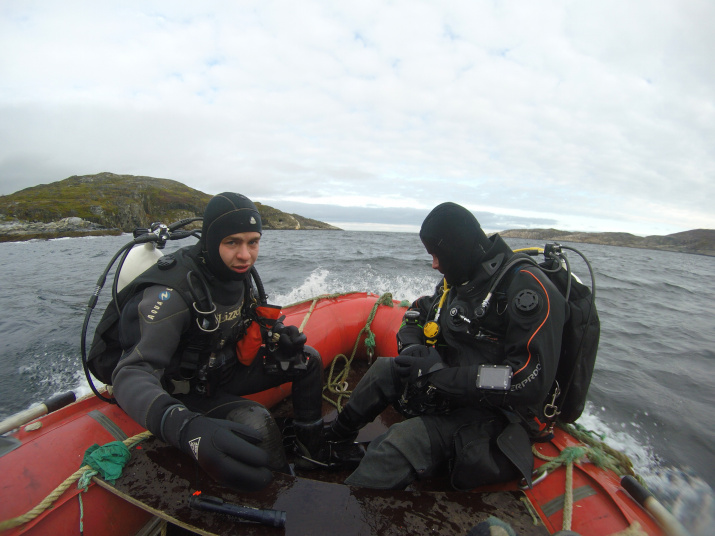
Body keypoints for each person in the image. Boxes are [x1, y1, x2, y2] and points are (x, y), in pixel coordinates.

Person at [327, 202, 567, 490]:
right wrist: (413, 348)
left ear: (458, 247)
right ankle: (333, 442)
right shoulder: (460, 280)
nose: (435, 264)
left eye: (437, 254)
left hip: (498, 414)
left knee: (397, 444)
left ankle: (345, 507)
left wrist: (440, 375)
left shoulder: (526, 288)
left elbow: (527, 380)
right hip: (452, 389)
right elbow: (416, 313)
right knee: (383, 370)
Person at [109, 192, 334, 492]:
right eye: (233, 242)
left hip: (223, 370)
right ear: (212, 241)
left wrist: (281, 334)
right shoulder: (173, 294)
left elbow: (250, 313)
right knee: (257, 423)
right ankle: (284, 492)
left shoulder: (237, 273)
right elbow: (130, 373)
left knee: (308, 360)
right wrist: (184, 426)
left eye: (253, 242)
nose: (245, 254)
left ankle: (311, 456)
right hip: (187, 392)